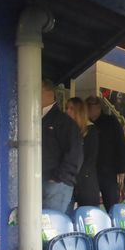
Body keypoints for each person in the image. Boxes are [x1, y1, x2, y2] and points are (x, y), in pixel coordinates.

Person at [41, 79, 83, 212]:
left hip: (56, 185)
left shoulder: (64, 122)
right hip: (39, 183)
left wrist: (59, 178)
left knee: (52, 228)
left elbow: (75, 154)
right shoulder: (36, 119)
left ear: (46, 92)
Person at [86, 96, 125, 210]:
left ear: (98, 108)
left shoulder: (111, 122)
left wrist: (121, 170)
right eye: (88, 107)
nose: (89, 110)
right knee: (91, 206)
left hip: (109, 171)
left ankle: (114, 226)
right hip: (91, 172)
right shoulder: (85, 124)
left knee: (112, 205)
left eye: (92, 107)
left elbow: (121, 145)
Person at [66, 98, 100, 207]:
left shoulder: (91, 131)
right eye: (67, 108)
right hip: (69, 181)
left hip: (86, 181)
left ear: (79, 111)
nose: (67, 111)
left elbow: (90, 159)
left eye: (71, 108)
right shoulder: (68, 130)